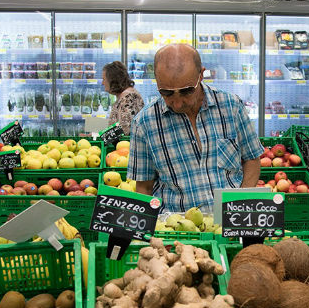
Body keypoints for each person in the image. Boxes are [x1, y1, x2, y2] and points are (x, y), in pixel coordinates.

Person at [127, 43, 262, 212]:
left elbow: (252, 159)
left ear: (201, 75)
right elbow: (144, 187)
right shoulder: (144, 123)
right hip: (176, 224)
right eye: (167, 93)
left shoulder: (231, 106)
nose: (177, 103)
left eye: (186, 91)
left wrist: (240, 206)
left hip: (231, 218)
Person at [102, 61, 144, 135]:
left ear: (112, 80)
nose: (102, 83)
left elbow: (125, 130)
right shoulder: (125, 96)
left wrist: (103, 137)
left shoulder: (128, 98)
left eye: (104, 79)